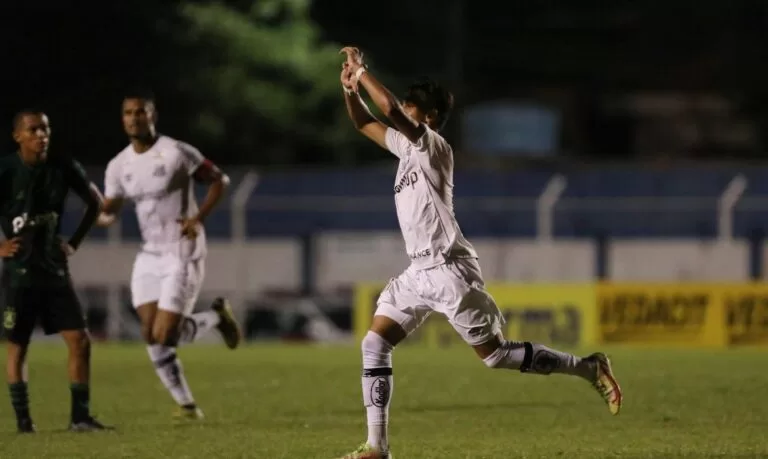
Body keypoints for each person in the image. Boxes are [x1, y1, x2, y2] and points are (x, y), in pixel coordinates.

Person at [336, 47, 623, 459]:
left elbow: (388, 109)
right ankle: (377, 448)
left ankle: (589, 367)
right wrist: (350, 90)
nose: (401, 113)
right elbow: (365, 120)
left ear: (428, 118)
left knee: (495, 357)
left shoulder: (434, 147)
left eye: (411, 108)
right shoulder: (406, 150)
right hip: (418, 273)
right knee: (374, 343)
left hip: (450, 269)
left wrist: (362, 71)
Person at [97, 90, 241, 420]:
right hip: (149, 255)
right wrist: (99, 216)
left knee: (166, 335)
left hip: (182, 251)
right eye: (128, 113)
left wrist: (197, 218)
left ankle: (218, 317)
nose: (134, 117)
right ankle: (187, 406)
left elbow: (219, 180)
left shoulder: (176, 152)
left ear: (152, 116)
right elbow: (111, 209)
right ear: (123, 120)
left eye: (141, 112)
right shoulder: (118, 165)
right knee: (151, 334)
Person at [0, 110, 108, 432]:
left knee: (80, 340)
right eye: (33, 130)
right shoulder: (6, 170)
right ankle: (24, 423)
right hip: (19, 274)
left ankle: (80, 418)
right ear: (18, 136)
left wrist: (73, 242)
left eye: (45, 129)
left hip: (54, 271)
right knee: (18, 347)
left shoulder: (62, 167)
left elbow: (96, 203)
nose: (41, 135)